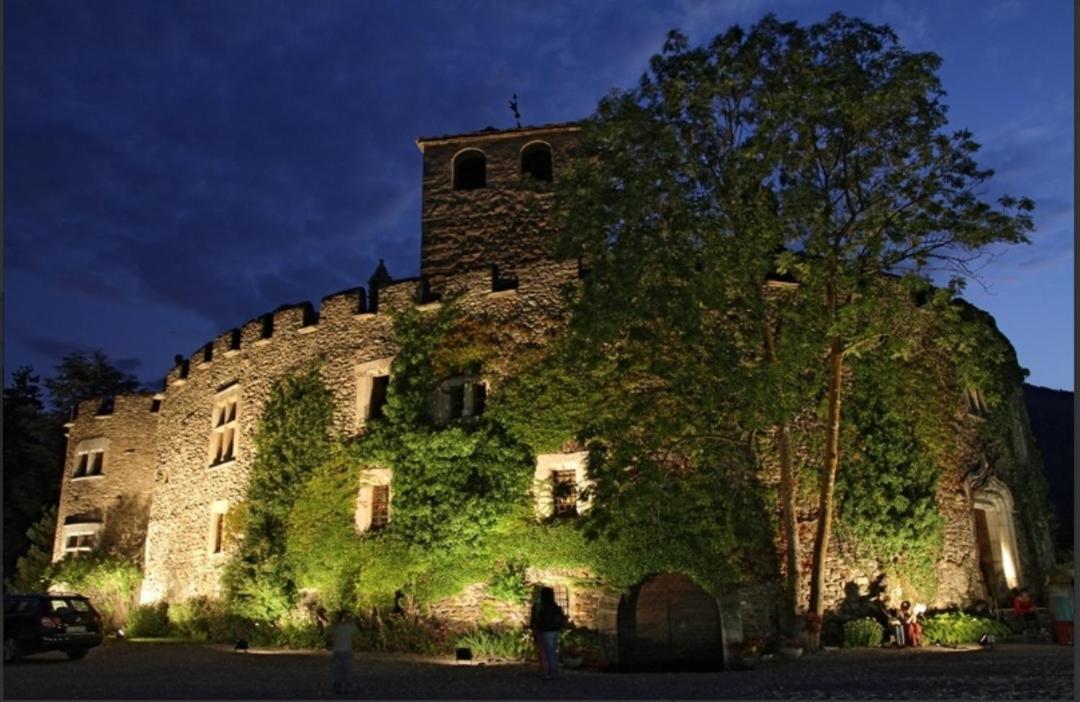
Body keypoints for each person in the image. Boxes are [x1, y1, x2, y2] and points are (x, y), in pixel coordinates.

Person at [530, 587, 567, 679]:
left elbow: (536, 619)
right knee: (553, 650)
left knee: (548, 650)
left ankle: (550, 671)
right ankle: (554, 669)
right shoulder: (555, 606)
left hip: (545, 630)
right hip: (555, 629)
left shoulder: (541, 607)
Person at [329, 610, 358, 694]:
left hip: (341, 650)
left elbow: (330, 633)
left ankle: (340, 687)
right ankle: (343, 687)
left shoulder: (337, 627)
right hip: (343, 651)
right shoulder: (348, 627)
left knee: (340, 671)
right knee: (344, 671)